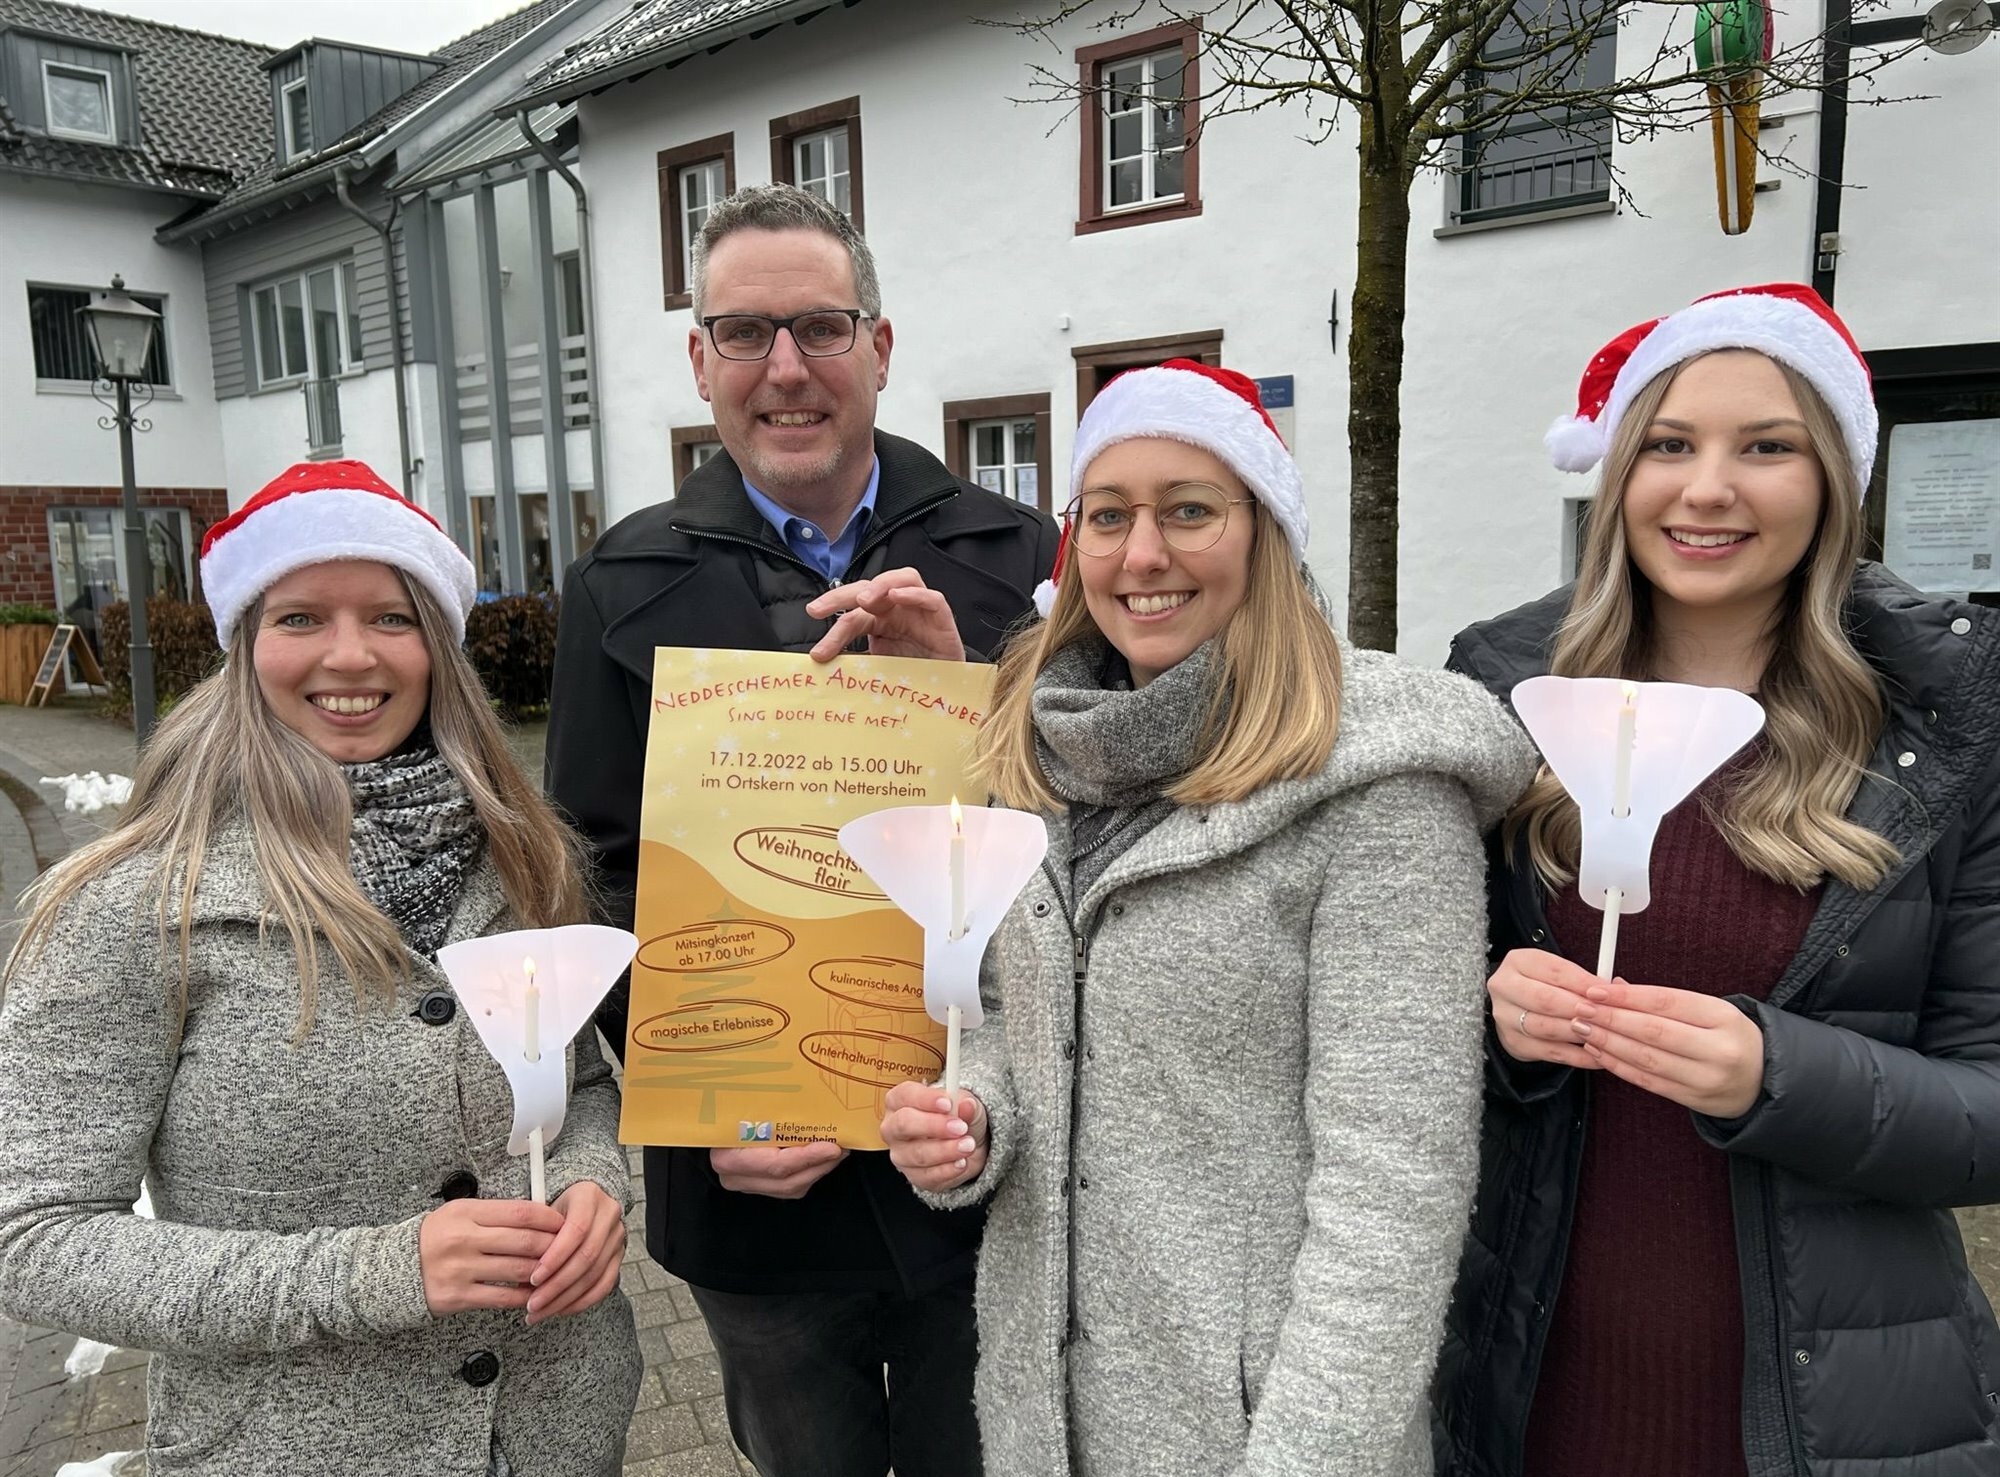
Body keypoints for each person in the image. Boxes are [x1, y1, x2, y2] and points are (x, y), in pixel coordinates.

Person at [878, 361, 1537, 1476]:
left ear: (1265, 532)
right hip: (1042, 1419)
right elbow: (1003, 1009)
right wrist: (976, 1117)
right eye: (1108, 515)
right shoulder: (1034, 755)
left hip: (1259, 1438)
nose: (1142, 554)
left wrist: (1304, 1458)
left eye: (1189, 510)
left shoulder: (1378, 790)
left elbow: (1394, 1187)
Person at [1433, 284, 2000, 1477]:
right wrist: (1496, 1029)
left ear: (1833, 478)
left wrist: (1773, 1074)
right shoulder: (1500, 689)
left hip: (1834, 1423)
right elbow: (1408, 1047)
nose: (1704, 489)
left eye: (1765, 447)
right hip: (1533, 1397)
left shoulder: (1947, 722)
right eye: (1667, 445)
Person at [545, 183, 1058, 1477]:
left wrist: (975, 693)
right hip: (753, 1185)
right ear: (700, 360)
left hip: (976, 1156)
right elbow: (592, 871)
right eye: (745, 332)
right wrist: (700, 1085)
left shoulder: (1022, 558)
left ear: (878, 346)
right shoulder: (621, 580)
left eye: (822, 327)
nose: (785, 369)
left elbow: (1077, 834)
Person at [0, 461, 641, 1477]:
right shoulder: (131, 907)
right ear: (243, 644)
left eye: (391, 617)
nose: (350, 654)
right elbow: (35, 1238)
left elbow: (582, 1084)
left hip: (558, 1434)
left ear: (437, 647)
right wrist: (373, 1272)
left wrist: (592, 1181)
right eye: (299, 616)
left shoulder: (524, 853)